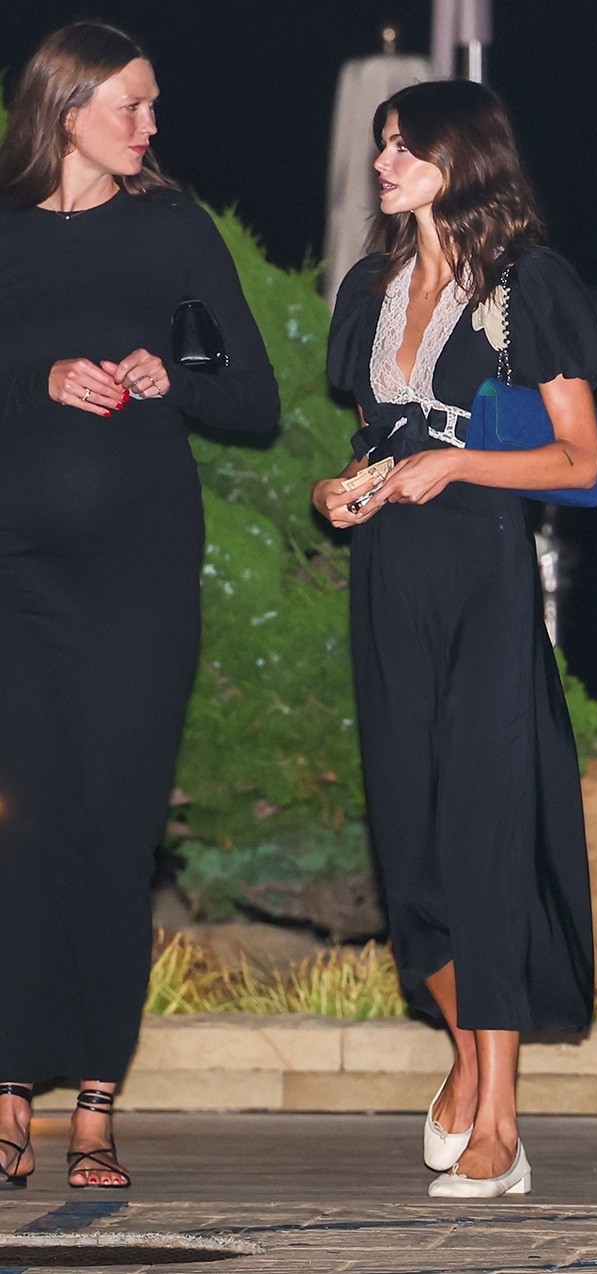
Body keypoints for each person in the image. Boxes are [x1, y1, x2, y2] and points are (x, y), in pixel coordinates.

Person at [312, 80, 597, 1198]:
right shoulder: (373, 285)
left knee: (485, 839)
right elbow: (378, 438)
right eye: (383, 145)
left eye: (405, 147)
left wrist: (458, 461)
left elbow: (578, 460)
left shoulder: (529, 284)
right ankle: (466, 1059)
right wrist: (344, 484)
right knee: (414, 851)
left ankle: (498, 1122)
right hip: (390, 574)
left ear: (462, 160)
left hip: (484, 568)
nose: (384, 162)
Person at [0, 22, 279, 1190]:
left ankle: (97, 1103)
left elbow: (254, 399)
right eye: (133, 106)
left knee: (115, 832)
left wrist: (180, 374)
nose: (153, 127)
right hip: (17, 579)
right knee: (24, 825)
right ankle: (11, 1082)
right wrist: (35, 377)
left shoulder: (173, 228)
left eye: (153, 105)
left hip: (140, 583)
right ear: (68, 109)